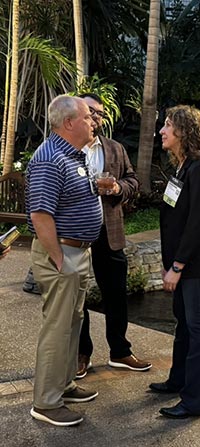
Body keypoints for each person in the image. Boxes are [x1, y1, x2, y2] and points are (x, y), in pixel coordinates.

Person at [148, 105, 200, 419]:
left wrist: (178, 266)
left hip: (195, 264)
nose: (162, 131)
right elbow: (173, 216)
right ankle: (178, 380)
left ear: (184, 131)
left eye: (168, 125)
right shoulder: (182, 167)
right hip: (180, 262)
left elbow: (197, 224)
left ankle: (195, 401)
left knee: (197, 329)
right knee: (183, 322)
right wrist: (169, 262)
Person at [26, 94, 103, 426]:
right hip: (62, 253)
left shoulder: (74, 155)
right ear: (69, 123)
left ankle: (64, 385)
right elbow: (40, 214)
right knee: (57, 328)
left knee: (72, 323)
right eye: (87, 116)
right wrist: (58, 258)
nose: (93, 121)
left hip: (77, 251)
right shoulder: (50, 158)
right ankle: (46, 402)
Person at [75, 93, 151, 379]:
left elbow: (133, 180)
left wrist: (119, 188)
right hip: (76, 232)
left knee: (116, 294)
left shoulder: (115, 148)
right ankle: (81, 354)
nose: (96, 117)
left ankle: (120, 351)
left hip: (110, 230)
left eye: (100, 113)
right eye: (91, 111)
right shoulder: (66, 148)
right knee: (77, 295)